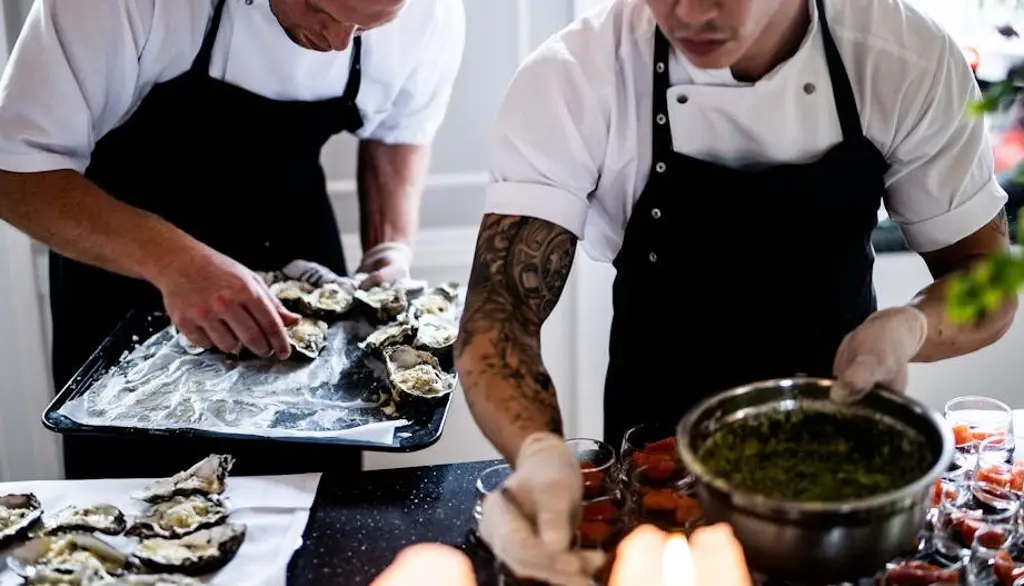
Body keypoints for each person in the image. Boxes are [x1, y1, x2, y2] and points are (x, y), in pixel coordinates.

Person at [455, 0, 1017, 583]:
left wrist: (912, 326)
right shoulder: (575, 76)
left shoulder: (904, 56)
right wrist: (541, 456)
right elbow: (500, 314)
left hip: (841, 479)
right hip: (654, 477)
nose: (691, 11)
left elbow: (985, 275)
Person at [0, 0, 464, 479]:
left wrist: (390, 247)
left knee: (314, 497)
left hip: (296, 253)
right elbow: (15, 174)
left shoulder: (431, 14)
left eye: (367, 27)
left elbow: (398, 133)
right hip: (125, 271)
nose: (338, 42)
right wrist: (176, 263)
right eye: (319, 8)